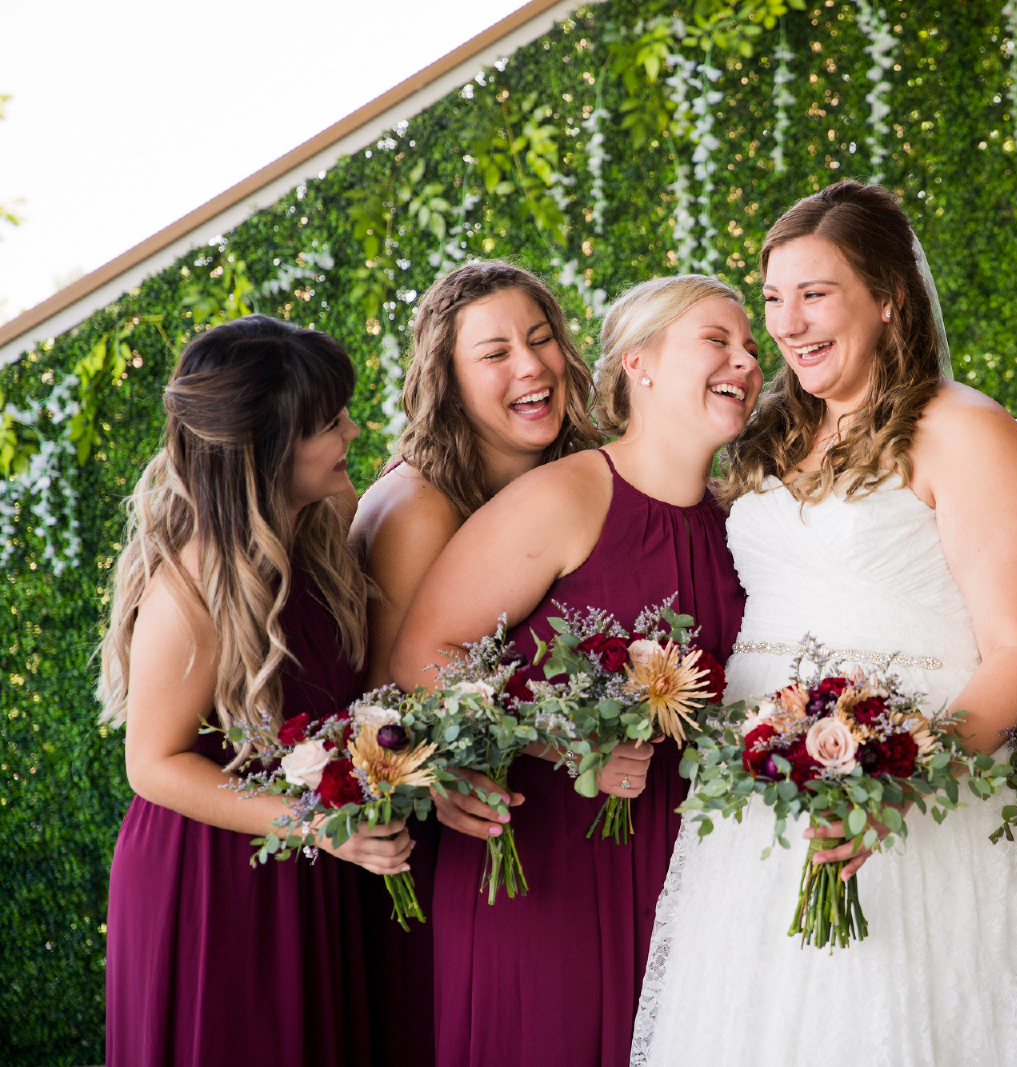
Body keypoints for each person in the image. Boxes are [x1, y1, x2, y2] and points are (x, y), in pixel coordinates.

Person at [631, 180, 1017, 1066]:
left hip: (920, 804)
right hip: (756, 811)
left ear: (888, 297)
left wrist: (898, 785)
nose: (788, 324)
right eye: (773, 300)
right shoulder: (760, 438)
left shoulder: (967, 433)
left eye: (815, 294)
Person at [390, 274, 757, 1067]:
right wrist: (566, 739)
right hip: (548, 866)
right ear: (639, 363)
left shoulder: (740, 523)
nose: (746, 360)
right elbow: (423, 655)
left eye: (751, 347)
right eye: (717, 341)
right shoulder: (567, 495)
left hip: (690, 877)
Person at [102, 315, 408, 1067]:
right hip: (215, 879)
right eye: (330, 422)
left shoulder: (324, 516)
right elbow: (153, 763)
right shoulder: (192, 586)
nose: (352, 430)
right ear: (269, 450)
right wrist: (315, 824)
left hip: (312, 863)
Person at [348, 261, 600, 1065]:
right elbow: (380, 703)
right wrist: (447, 776)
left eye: (542, 338)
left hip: (553, 843)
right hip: (436, 855)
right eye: (496, 353)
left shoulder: (578, 476)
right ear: (449, 382)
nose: (532, 365)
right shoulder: (419, 506)